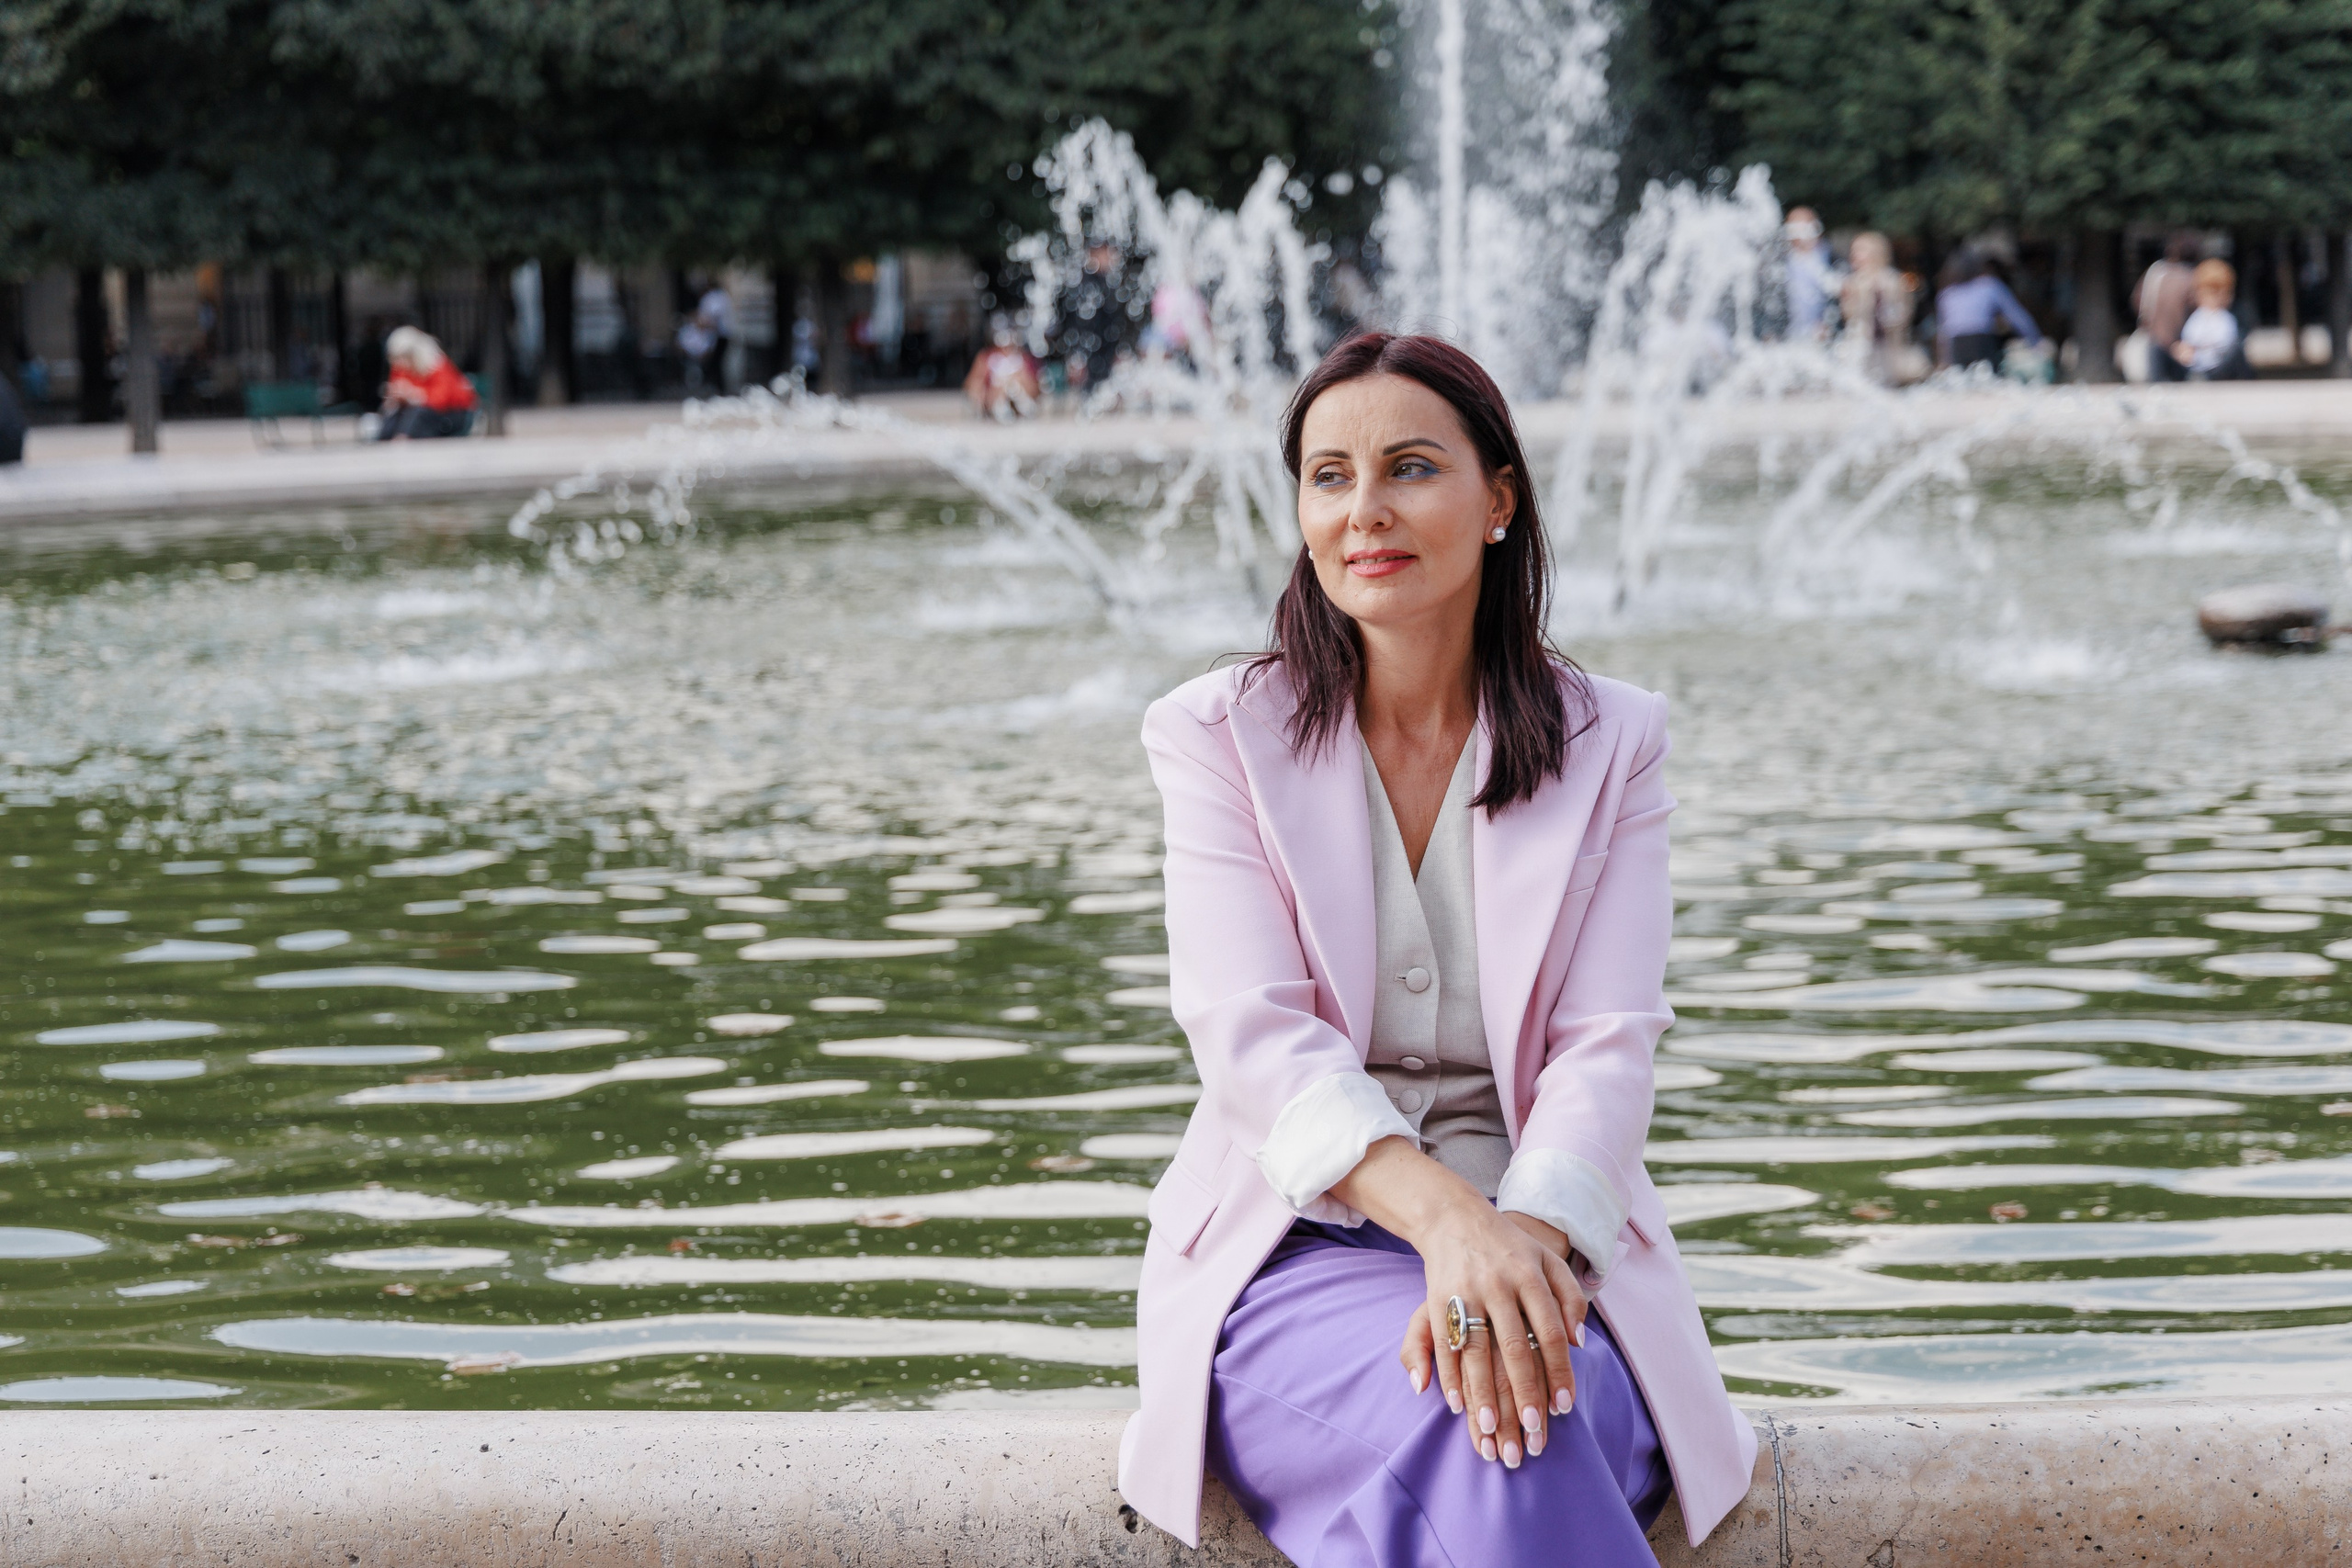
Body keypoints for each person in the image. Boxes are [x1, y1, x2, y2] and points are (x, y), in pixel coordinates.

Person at [1119, 333, 1756, 1566]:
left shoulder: (1613, 740)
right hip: (1292, 1257)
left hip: (1551, 1253)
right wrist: (1445, 1225)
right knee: (1497, 1432)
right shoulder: (1215, 734)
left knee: (1518, 1425)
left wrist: (1518, 1241)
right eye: (1328, 475)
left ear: (1499, 498)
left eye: (1410, 467)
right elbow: (1252, 1036)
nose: (1365, 511)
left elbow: (1606, 1047)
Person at [1934, 249, 2042, 372]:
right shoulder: (1989, 285)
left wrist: (1943, 360)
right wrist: (2035, 340)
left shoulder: (1947, 294)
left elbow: (1942, 332)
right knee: (1988, 378)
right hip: (1981, 342)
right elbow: (2016, 315)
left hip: (1957, 344)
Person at [1838, 231, 1914, 385]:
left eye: (1860, 250)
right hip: (1860, 346)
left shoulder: (1893, 280)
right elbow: (1848, 315)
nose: (1855, 255)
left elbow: (1904, 313)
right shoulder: (1852, 282)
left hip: (1888, 346)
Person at [374, 326, 476, 440]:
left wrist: (413, 395)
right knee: (394, 412)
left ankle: (403, 439)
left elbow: (440, 400)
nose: (400, 362)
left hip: (452, 414)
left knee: (419, 412)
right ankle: (384, 440)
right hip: (422, 412)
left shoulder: (436, 365)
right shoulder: (400, 367)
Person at [2132, 233, 2200, 383]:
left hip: (2153, 337)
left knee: (2155, 387)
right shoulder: (2190, 278)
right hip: (2180, 342)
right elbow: (2197, 310)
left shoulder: (2154, 273)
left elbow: (2137, 301)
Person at [2175, 259, 2254, 380]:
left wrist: (2203, 345)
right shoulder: (2197, 317)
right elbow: (2188, 340)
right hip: (2195, 365)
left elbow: (2226, 343)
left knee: (2238, 349)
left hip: (2218, 367)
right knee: (2157, 349)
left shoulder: (2225, 318)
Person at [960, 323, 1040, 420]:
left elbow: (1033, 385)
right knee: (999, 385)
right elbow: (973, 381)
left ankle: (1021, 405)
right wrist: (978, 396)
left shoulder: (1022, 359)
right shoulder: (986, 358)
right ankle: (1000, 407)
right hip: (994, 396)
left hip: (1018, 392)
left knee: (1016, 384)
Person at [1783, 207, 1837, 340]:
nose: (1800, 235)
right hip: (1790, 336)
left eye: (1804, 228)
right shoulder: (1779, 262)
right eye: (1794, 228)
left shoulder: (1832, 258)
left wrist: (1829, 325)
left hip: (1825, 335)